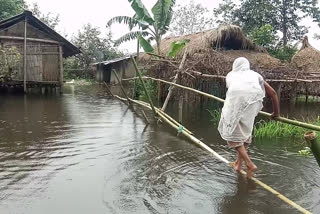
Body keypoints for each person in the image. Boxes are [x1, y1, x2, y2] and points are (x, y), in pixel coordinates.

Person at [218, 57, 280, 178]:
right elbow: (272, 93)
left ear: (234, 66)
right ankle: (238, 163)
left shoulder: (231, 75)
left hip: (236, 102)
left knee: (231, 134)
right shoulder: (255, 75)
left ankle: (250, 164)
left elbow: (234, 91)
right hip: (253, 102)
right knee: (245, 132)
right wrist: (276, 113)